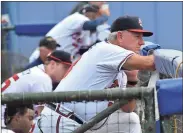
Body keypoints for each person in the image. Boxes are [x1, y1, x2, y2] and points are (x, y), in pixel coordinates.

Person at [54, 15, 155, 133]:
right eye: (137, 36)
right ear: (120, 36)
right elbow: (150, 63)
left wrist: (132, 82)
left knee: (129, 120)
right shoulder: (107, 50)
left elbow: (128, 108)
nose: (142, 42)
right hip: (62, 122)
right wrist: (159, 57)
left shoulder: (120, 71)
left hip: (85, 124)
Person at [1, 50, 72, 127]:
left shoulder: (37, 72)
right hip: (4, 122)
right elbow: (41, 116)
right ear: (53, 64)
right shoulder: (43, 79)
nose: (67, 72)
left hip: (7, 119)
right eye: (65, 68)